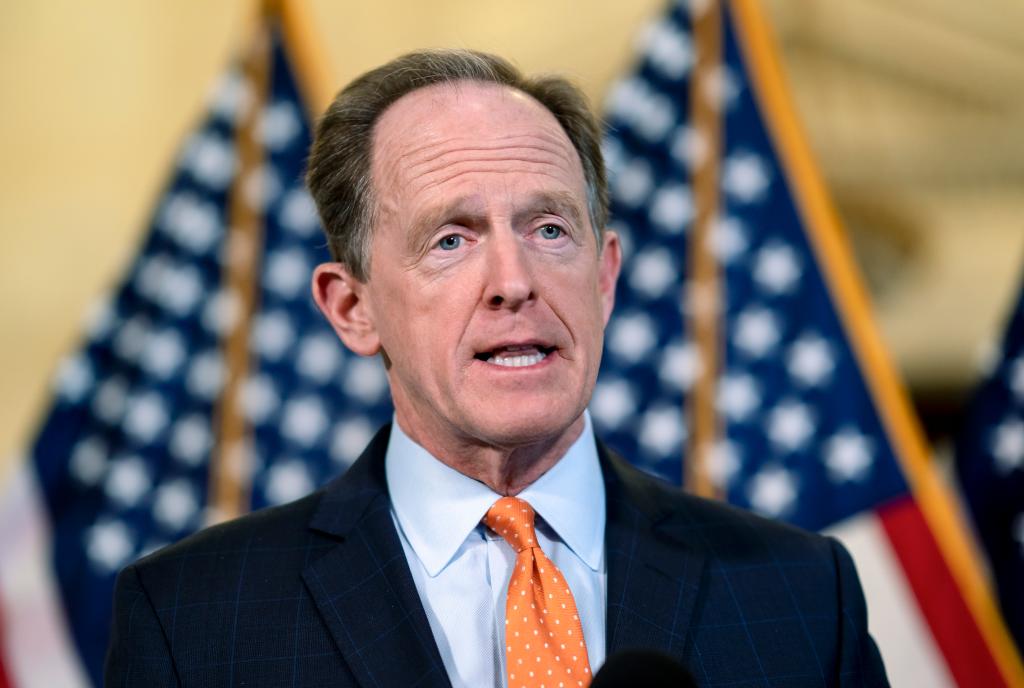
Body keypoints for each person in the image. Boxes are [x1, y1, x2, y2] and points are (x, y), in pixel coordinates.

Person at [105, 49, 889, 687]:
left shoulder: (802, 594)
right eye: (452, 239)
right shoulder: (193, 618)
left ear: (605, 277)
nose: (515, 282)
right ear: (352, 308)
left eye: (550, 229)